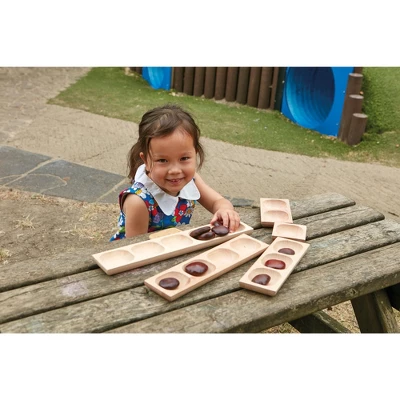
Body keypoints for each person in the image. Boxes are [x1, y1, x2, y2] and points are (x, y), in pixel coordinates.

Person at [110, 104, 241, 241]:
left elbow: (217, 201)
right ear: (146, 161)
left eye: (184, 158)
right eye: (162, 160)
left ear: (195, 154)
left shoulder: (191, 180)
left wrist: (225, 210)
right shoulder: (138, 202)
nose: (175, 171)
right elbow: (136, 247)